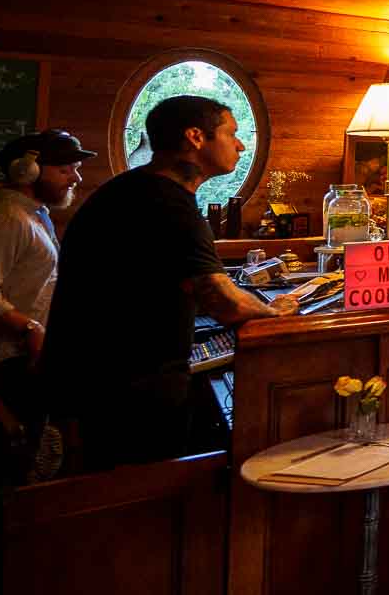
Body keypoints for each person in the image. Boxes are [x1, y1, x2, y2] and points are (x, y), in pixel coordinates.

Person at [42, 96, 297, 469]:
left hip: (92, 384)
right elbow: (225, 302)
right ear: (196, 137)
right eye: (231, 133)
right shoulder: (167, 205)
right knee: (141, 499)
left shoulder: (132, 189)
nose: (240, 144)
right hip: (125, 393)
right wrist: (275, 313)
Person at [0, 130, 94, 450]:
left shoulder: (32, 216)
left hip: (22, 360)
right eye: (66, 170)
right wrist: (31, 328)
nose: (75, 178)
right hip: (2, 365)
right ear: (29, 170)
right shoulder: (7, 219)